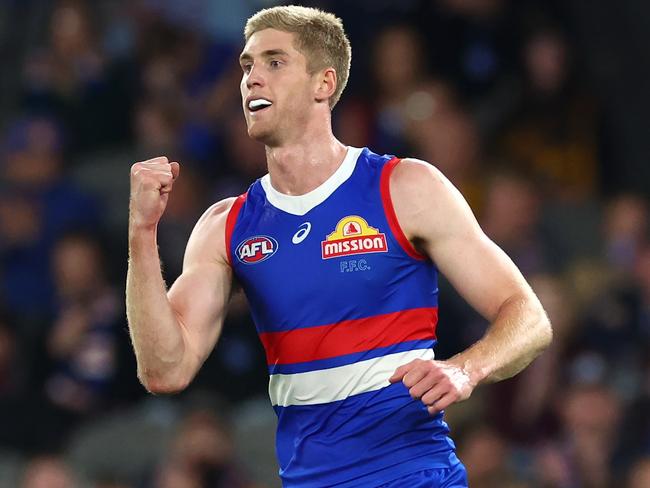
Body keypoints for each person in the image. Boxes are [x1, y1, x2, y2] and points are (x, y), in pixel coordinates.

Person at [126, 6, 552, 487]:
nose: (251, 80)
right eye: (247, 66)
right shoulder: (227, 225)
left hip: (416, 476)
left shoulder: (404, 188)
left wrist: (465, 370)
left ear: (323, 83)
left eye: (274, 62)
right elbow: (165, 369)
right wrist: (142, 235)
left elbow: (529, 317)